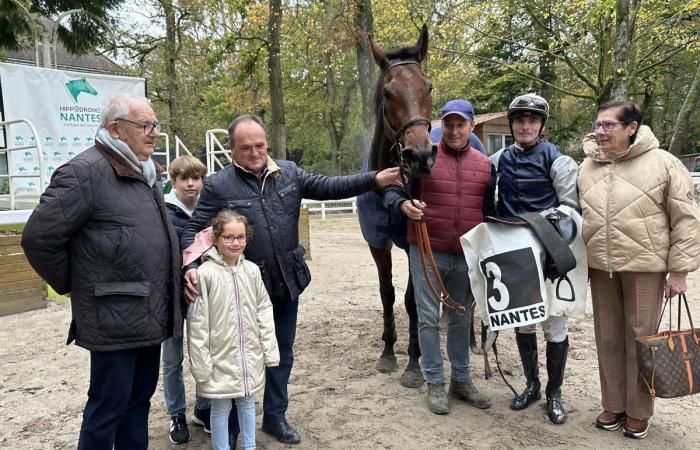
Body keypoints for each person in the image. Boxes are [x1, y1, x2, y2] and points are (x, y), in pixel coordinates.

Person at [180, 114, 403, 445]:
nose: (256, 153)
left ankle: (275, 416)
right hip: (240, 289)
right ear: (231, 150)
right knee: (232, 353)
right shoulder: (217, 185)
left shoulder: (289, 171)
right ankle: (226, 421)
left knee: (281, 351)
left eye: (260, 145)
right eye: (246, 148)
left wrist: (374, 179)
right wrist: (190, 265)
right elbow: (192, 229)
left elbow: (330, 186)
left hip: (286, 281)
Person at [21, 94, 181, 450]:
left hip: (148, 313)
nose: (154, 133)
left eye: (155, 125)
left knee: (137, 405)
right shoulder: (85, 172)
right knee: (108, 408)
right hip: (113, 318)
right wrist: (74, 284)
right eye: (145, 126)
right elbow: (38, 239)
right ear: (115, 129)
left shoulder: (145, 171)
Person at [578, 99, 700, 439]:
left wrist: (679, 271)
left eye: (608, 125)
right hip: (601, 267)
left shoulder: (663, 163)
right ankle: (613, 403)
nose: (599, 131)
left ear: (631, 128)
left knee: (641, 340)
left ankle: (638, 410)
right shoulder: (586, 166)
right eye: (598, 124)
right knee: (607, 338)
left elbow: (687, 220)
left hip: (645, 267)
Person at [384, 99, 495, 415]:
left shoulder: (485, 166)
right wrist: (402, 205)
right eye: (449, 124)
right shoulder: (420, 159)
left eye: (461, 125)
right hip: (427, 250)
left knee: (461, 318)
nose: (455, 130)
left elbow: (491, 211)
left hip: (465, 255)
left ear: (471, 127)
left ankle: (461, 380)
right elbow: (392, 191)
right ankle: (434, 383)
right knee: (429, 319)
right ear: (440, 126)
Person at [490, 93, 579, 424]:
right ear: (512, 124)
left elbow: (570, 209)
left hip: (547, 252)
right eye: (519, 120)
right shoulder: (497, 159)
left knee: (554, 323)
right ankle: (531, 386)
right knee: (523, 320)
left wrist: (547, 229)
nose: (525, 126)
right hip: (512, 253)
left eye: (531, 120)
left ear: (541, 125)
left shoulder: (559, 162)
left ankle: (554, 393)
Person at [187, 210, 279, 450]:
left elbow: (263, 310)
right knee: (221, 407)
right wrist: (201, 363)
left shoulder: (252, 270)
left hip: (249, 354)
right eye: (228, 237)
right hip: (220, 356)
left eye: (240, 237)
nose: (235, 242)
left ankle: (250, 446)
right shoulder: (205, 275)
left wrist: (268, 349)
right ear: (215, 239)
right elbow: (197, 323)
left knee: (248, 403)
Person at [161, 155, 208, 444]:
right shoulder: (164, 211)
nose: (191, 184)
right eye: (184, 179)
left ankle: (204, 407)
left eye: (196, 178)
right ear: (173, 181)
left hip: (204, 295)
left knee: (206, 353)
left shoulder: (208, 209)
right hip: (173, 296)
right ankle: (176, 413)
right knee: (172, 359)